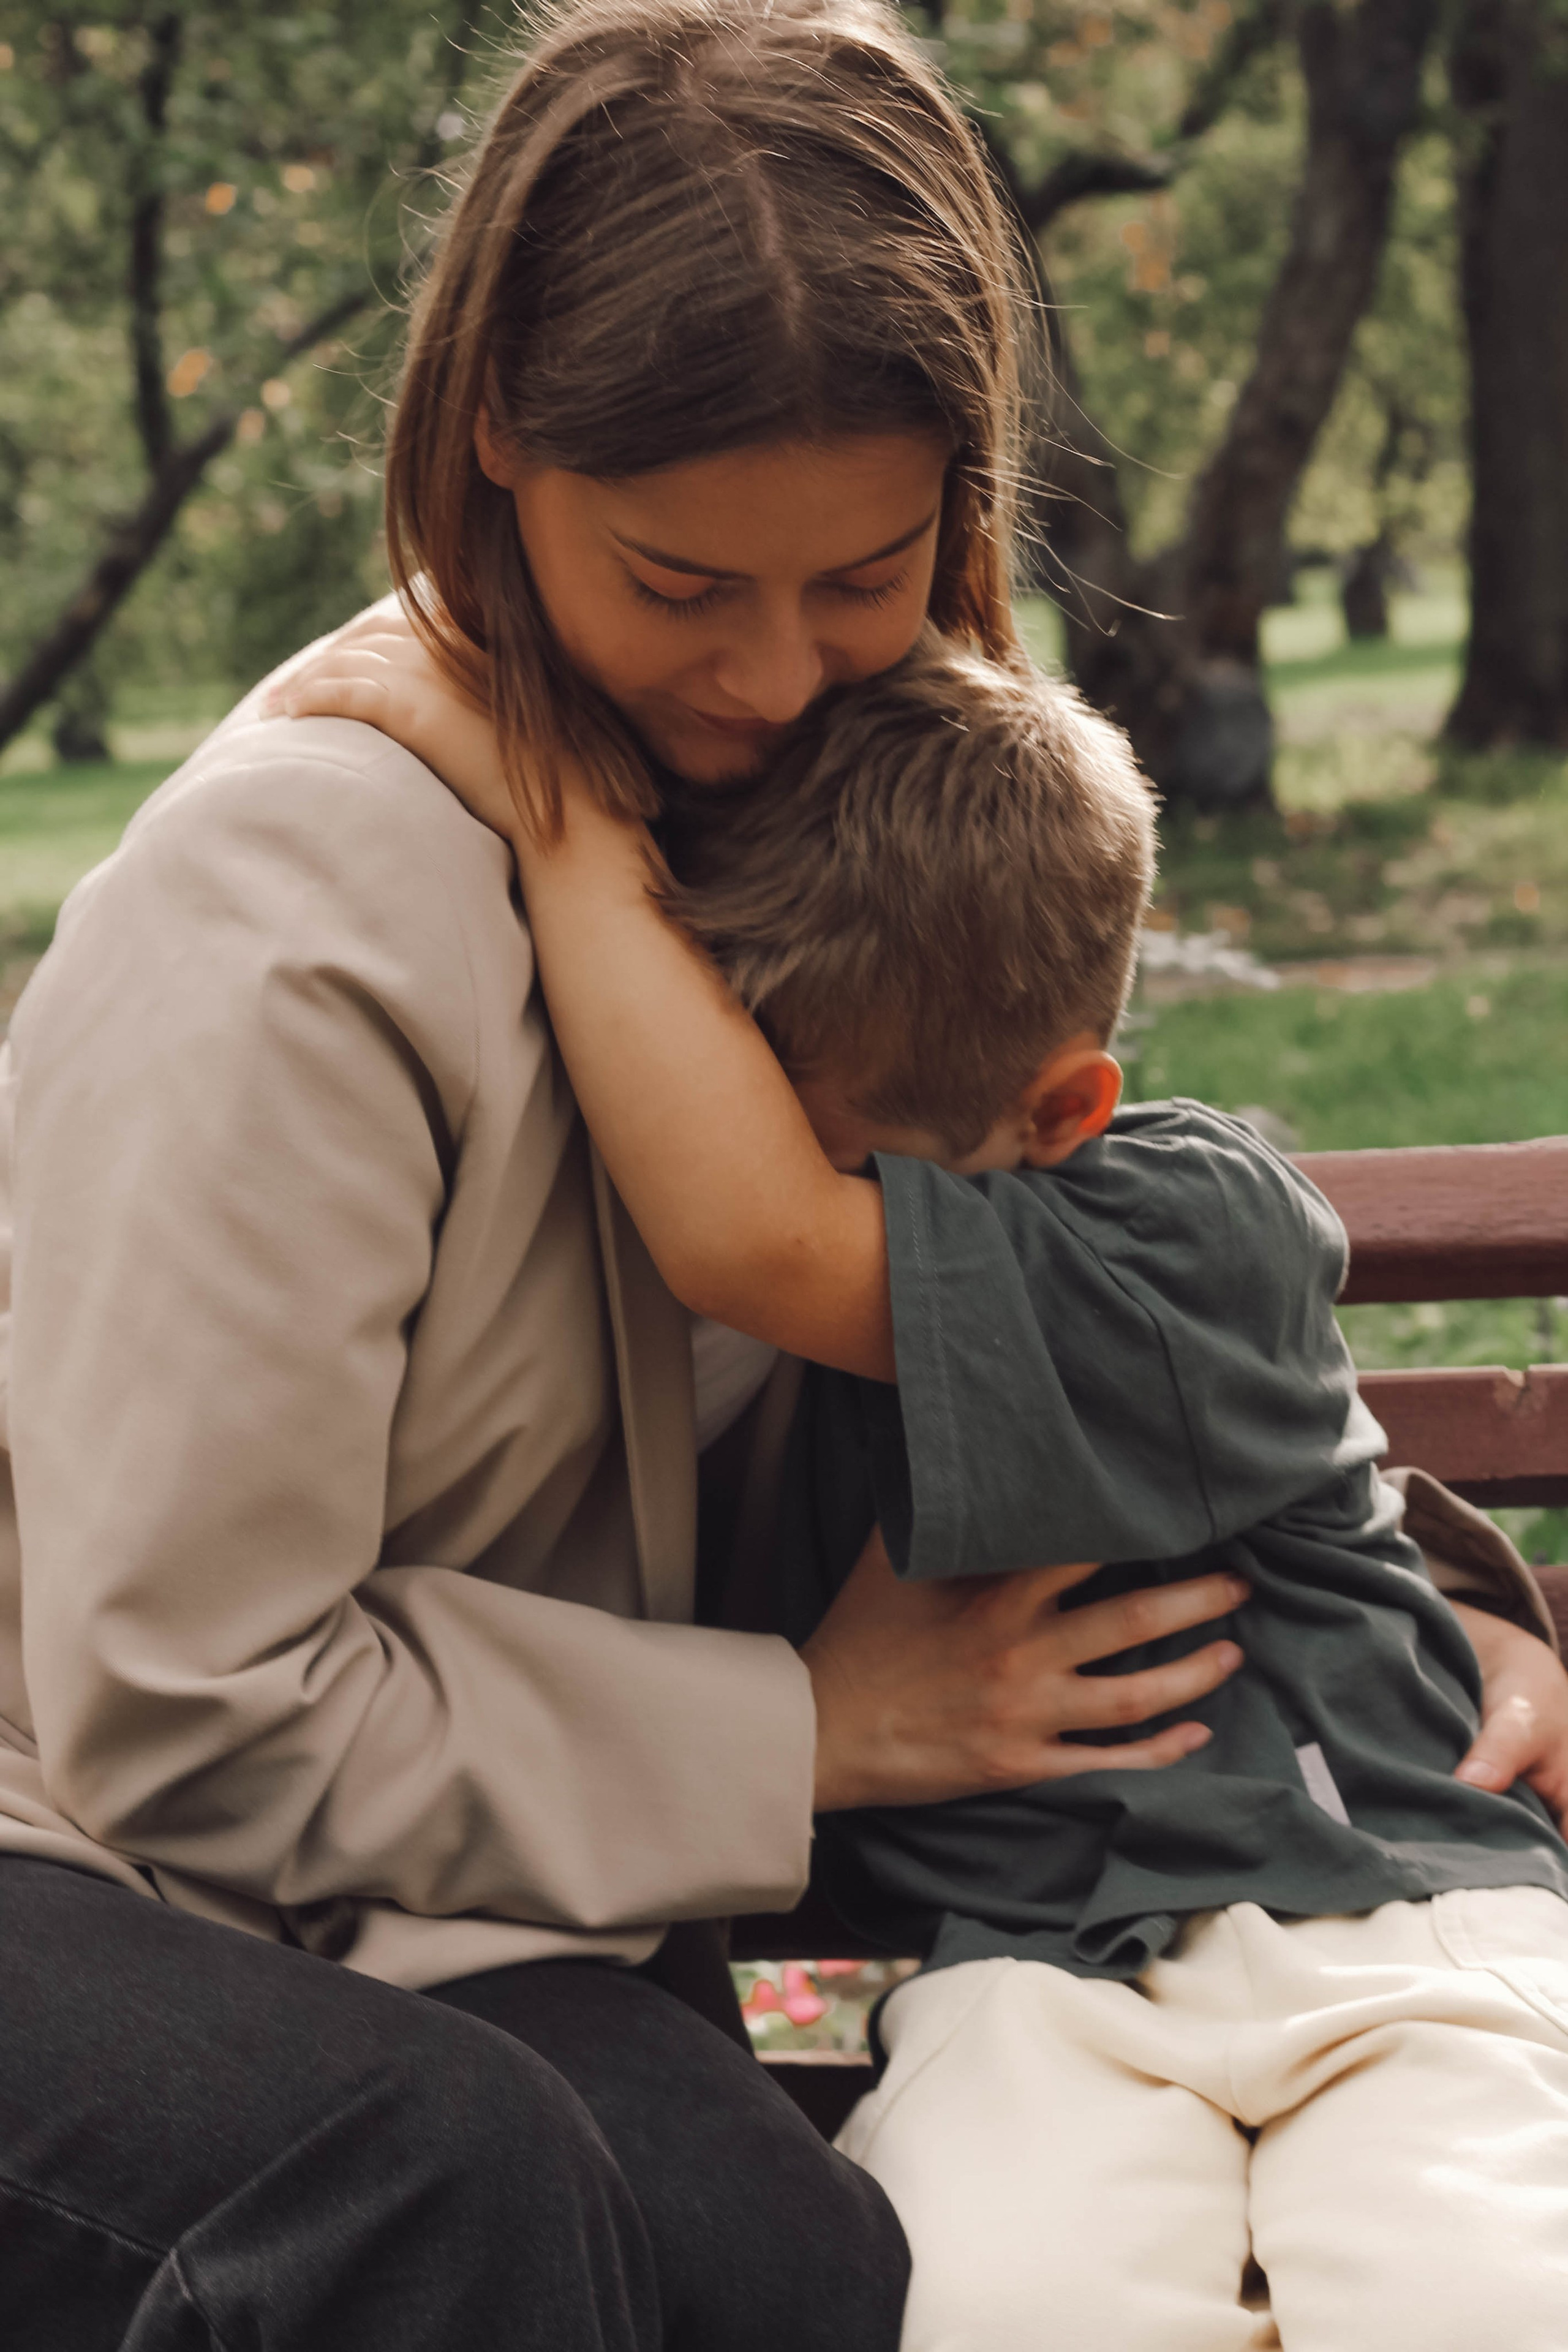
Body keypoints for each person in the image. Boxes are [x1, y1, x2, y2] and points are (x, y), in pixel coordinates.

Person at [0, 4, 1322, 2345]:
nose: (781, 677)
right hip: (82, 1862)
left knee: (783, 2261)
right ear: (496, 431)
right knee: (436, 2182)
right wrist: (811, 1736)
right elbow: (180, 1717)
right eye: (685, 581)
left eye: (864, 575)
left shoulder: (853, 803)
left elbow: (1070, 1262)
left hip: (430, 1880)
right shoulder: (288, 913)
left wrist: (1443, 1621)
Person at [278, 623, 1568, 2351]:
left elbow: (754, 1237)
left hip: (1383, 1915)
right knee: (989, 2304)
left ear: (1062, 1113)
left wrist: (556, 815)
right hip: (1028, 1966)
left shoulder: (1196, 1223)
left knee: (1484, 2292)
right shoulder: (753, 1344)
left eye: (840, 1150)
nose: (746, 1154)